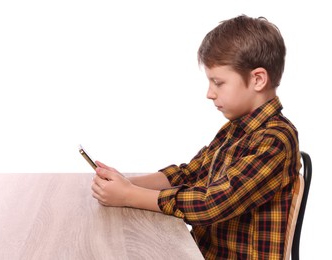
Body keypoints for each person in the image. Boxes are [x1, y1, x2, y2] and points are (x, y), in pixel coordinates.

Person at [91, 14, 301, 259]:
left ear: (257, 79)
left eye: (218, 83)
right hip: (198, 252)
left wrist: (129, 196)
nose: (209, 94)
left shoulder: (276, 140)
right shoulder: (234, 129)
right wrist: (127, 183)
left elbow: (212, 203)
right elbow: (189, 173)